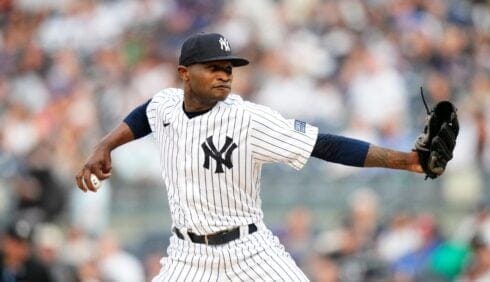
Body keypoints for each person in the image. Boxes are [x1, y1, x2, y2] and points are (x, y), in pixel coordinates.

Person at [75, 32, 443, 281]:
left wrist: (407, 160)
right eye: (213, 67)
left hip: (249, 251)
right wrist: (104, 145)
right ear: (185, 74)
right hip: (186, 257)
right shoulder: (166, 104)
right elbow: (143, 115)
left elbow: (325, 144)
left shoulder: (249, 118)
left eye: (228, 68)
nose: (224, 75)